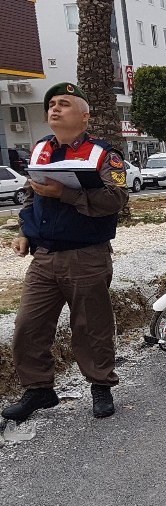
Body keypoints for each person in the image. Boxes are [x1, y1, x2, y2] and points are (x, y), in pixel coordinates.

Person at [1, 83, 130, 422]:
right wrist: (26, 232)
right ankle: (39, 389)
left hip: (86, 256)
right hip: (44, 257)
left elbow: (116, 200)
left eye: (64, 104)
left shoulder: (103, 154)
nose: (54, 108)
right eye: (52, 104)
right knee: (28, 325)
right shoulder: (41, 148)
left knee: (91, 327)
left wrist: (66, 194)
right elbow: (32, 196)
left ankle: (100, 385)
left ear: (85, 116)